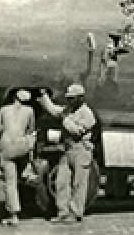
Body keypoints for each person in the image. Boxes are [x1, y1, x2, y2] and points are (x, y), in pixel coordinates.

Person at [37, 83, 98, 224]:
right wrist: (44, 95)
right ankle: (63, 212)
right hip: (68, 149)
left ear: (81, 98)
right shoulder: (68, 109)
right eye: (68, 98)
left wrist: (65, 119)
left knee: (79, 184)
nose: (69, 101)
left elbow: (77, 131)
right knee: (61, 182)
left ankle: (76, 213)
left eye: (72, 98)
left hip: (81, 150)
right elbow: (53, 109)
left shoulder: (87, 114)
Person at [0, 88, 38, 226]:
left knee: (10, 182)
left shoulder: (3, 109)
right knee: (20, 176)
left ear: (14, 97)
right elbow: (31, 129)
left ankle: (13, 214)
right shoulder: (30, 111)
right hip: (22, 146)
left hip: (6, 147)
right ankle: (25, 202)